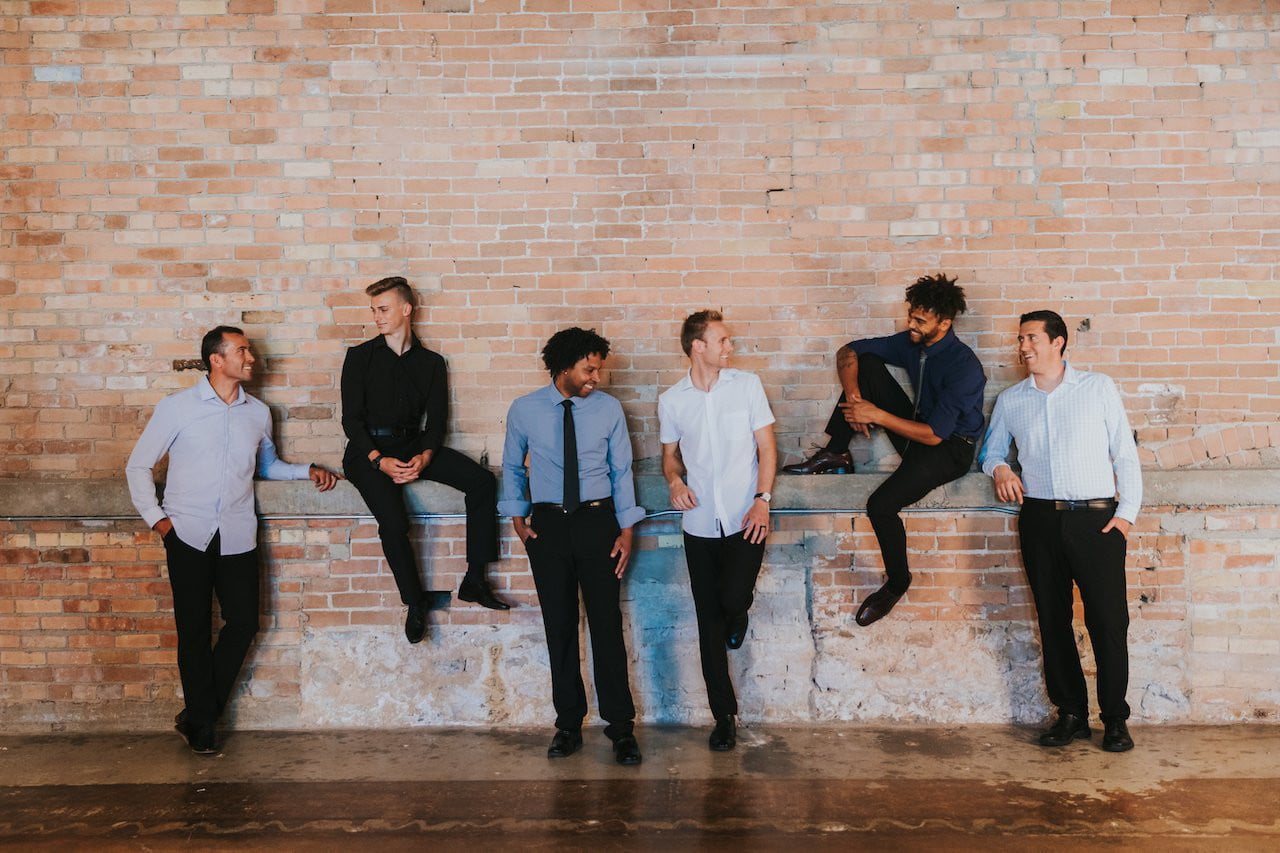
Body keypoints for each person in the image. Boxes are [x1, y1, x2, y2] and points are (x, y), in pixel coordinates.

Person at [126, 325, 340, 754]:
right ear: (216, 360)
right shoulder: (176, 408)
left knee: (244, 623)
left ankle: (198, 715)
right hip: (186, 533)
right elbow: (137, 466)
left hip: (239, 534)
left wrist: (306, 470)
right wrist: (160, 523)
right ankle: (203, 726)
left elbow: (267, 466)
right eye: (242, 351)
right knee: (193, 631)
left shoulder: (257, 413)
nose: (252, 359)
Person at [783, 274, 986, 626]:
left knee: (881, 505)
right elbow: (848, 351)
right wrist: (854, 398)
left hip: (949, 449)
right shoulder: (911, 343)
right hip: (917, 433)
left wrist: (876, 415)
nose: (911, 324)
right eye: (911, 315)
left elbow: (936, 435)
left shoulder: (964, 366)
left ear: (944, 323)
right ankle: (837, 453)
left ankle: (897, 582)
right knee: (869, 366)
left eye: (920, 320)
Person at [980, 310, 1141, 753]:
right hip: (1040, 520)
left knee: (1108, 622)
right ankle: (1071, 713)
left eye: (1031, 338)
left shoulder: (1097, 387)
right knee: (1052, 619)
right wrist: (998, 468)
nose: (1023, 346)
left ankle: (1114, 719)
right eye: (1019, 339)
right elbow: (991, 450)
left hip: (1097, 520)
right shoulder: (1012, 400)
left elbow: (1124, 453)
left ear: (1059, 342)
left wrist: (1126, 514)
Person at [499, 327, 646, 766]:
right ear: (564, 367)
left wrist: (626, 529)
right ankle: (568, 725)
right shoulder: (524, 409)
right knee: (559, 626)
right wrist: (518, 520)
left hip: (599, 523)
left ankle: (621, 728)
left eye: (597, 369)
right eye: (589, 368)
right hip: (547, 528)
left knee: (605, 624)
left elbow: (622, 472)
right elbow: (512, 465)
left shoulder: (609, 410)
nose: (596, 377)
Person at [341, 276, 509, 647]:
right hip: (366, 454)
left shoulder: (432, 363)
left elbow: (437, 422)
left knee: (482, 482)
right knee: (394, 521)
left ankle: (475, 579)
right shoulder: (359, 357)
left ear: (406, 309)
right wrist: (378, 459)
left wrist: (425, 456)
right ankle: (414, 602)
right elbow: (351, 420)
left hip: (413, 446)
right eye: (373, 311)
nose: (377, 317)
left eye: (383, 309)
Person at [658, 310, 776, 751]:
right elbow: (669, 457)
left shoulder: (746, 386)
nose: (730, 347)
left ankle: (739, 611)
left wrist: (762, 501)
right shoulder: (673, 401)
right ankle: (723, 715)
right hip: (700, 522)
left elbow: (767, 448)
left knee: (732, 598)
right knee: (708, 621)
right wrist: (674, 481)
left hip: (748, 517)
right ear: (698, 347)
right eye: (722, 340)